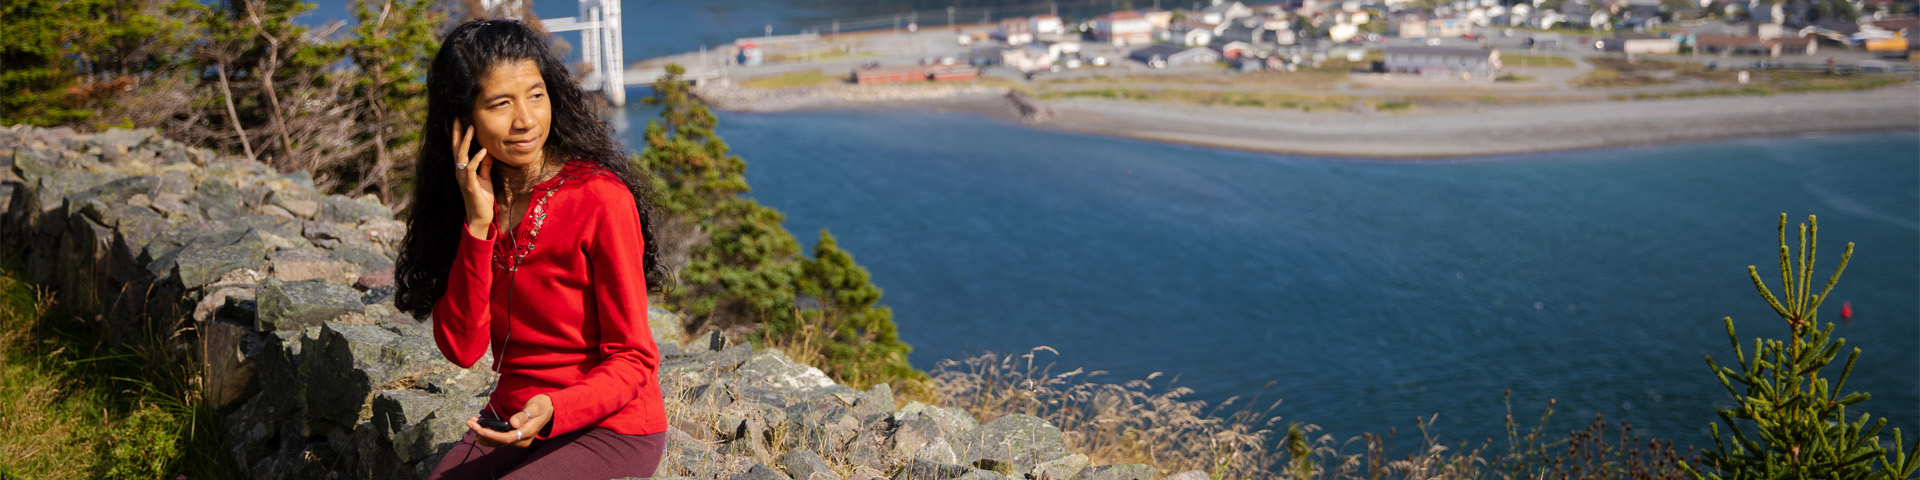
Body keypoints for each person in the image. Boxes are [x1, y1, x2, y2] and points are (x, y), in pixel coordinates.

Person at [392, 18, 669, 479]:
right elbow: (462, 349)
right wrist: (478, 226)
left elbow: (634, 357)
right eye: (501, 104)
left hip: (612, 427)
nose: (525, 120)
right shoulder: (468, 204)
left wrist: (555, 408)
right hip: (510, 418)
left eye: (536, 95)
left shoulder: (599, 198)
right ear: (462, 122)